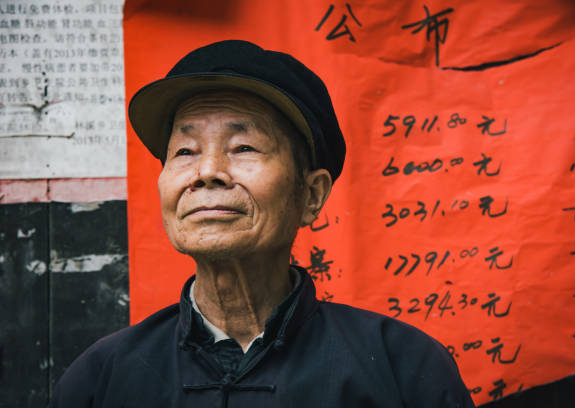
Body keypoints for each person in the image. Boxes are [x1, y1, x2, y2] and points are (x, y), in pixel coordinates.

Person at [50, 40, 475, 408]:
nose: (207, 171)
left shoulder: (402, 368)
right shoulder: (101, 379)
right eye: (184, 151)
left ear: (310, 196)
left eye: (244, 146)